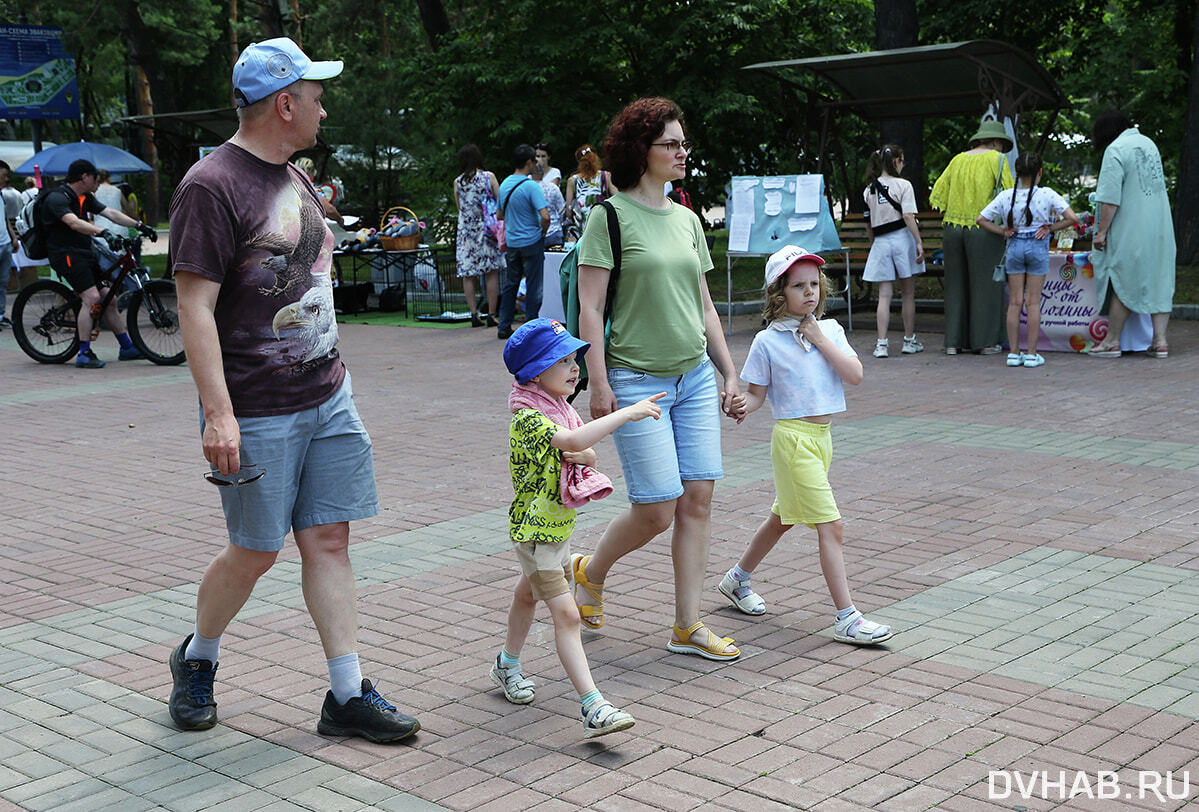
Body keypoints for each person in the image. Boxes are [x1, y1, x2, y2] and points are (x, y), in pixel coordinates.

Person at [166, 36, 419, 743]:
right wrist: (219, 415)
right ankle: (197, 658)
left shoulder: (294, 176)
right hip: (256, 406)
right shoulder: (210, 186)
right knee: (255, 551)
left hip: (327, 394)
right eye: (314, 95)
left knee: (330, 539)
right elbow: (194, 308)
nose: (323, 107)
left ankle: (346, 693)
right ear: (285, 103)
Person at [574, 97, 745, 662]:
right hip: (634, 379)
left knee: (698, 498)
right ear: (639, 150)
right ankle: (591, 572)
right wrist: (597, 384)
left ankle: (687, 626)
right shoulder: (609, 218)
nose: (681, 152)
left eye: (682, 143)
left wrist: (729, 373)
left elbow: (704, 306)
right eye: (669, 144)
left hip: (694, 377)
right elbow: (591, 310)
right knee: (657, 505)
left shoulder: (688, 219)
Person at [718, 246, 892, 646]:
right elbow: (758, 395)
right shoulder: (767, 341)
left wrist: (817, 337)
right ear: (779, 292)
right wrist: (744, 405)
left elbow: (856, 375)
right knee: (832, 526)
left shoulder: (831, 331)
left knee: (784, 518)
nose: (809, 292)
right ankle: (847, 617)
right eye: (798, 286)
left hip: (822, 439)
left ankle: (736, 580)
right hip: (793, 440)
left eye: (814, 284)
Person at [496, 318, 662, 737]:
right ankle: (593, 705)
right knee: (567, 615)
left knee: (527, 594)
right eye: (563, 361)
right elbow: (572, 444)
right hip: (536, 535)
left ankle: (506, 665)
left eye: (575, 360)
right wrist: (627, 414)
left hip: (555, 528)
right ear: (535, 372)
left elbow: (580, 449)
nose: (575, 369)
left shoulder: (558, 410)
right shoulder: (528, 418)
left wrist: (587, 456)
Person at [42, 159, 156, 367]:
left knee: (108, 298)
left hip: (85, 252)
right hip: (66, 255)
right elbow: (73, 222)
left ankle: (127, 347)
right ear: (84, 177)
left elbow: (111, 213)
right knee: (92, 297)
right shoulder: (57, 198)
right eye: (95, 177)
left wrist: (140, 226)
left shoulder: (85, 197)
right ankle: (84, 353)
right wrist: (102, 232)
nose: (98, 181)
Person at [1086, 110, 1176, 359]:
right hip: (1160, 226)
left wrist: (1101, 232)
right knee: (1160, 279)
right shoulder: (1148, 144)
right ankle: (1160, 341)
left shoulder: (1115, 150)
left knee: (1124, 279)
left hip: (1131, 227)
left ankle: (1111, 341)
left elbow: (1109, 199)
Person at [976, 153, 1078, 368]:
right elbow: (1073, 218)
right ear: (1039, 172)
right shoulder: (1047, 194)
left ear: (1017, 173)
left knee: (1014, 302)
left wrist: (1003, 231)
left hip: (1014, 246)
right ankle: (1031, 354)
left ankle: (1013, 353)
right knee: (1033, 303)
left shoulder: (1006, 196)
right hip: (1037, 246)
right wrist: (1050, 228)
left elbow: (981, 219)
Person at [929, 120, 1014, 355]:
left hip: (953, 229)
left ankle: (953, 343)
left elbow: (938, 192)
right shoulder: (997, 159)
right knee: (985, 285)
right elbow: (1008, 195)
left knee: (955, 286)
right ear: (996, 141)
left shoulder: (958, 159)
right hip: (984, 228)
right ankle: (984, 342)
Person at [862, 145, 925, 358]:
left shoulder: (868, 189)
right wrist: (919, 242)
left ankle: (882, 344)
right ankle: (909, 340)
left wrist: (874, 245)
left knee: (884, 295)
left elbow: (868, 224)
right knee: (908, 293)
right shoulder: (903, 185)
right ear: (896, 161)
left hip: (881, 242)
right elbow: (908, 216)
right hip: (902, 241)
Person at [496, 144, 549, 339]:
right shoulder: (530, 186)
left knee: (511, 284)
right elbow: (545, 216)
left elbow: (500, 215)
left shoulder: (504, 185)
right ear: (528, 162)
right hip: (531, 241)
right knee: (534, 286)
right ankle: (532, 328)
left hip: (512, 243)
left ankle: (504, 326)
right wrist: (541, 233)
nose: (536, 163)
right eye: (534, 160)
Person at [453, 144, 504, 327]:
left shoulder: (458, 182)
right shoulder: (488, 177)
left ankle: (474, 314)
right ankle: (491, 314)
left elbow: (460, 208)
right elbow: (500, 200)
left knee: (468, 274)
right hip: (486, 230)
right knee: (491, 273)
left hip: (466, 232)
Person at [564, 144, 612, 240]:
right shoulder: (605, 176)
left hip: (582, 230)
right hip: (603, 228)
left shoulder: (573, 180)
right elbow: (617, 198)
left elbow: (568, 211)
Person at [294, 156, 343, 226]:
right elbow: (329, 209)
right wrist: (339, 219)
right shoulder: (313, 190)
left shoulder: (284, 188)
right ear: (310, 171)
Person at [0, 161, 19, 329]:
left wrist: (13, 237)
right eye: (4, 175)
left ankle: (0, 315)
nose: (6, 179)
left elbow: (5, 217)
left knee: (3, 282)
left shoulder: (1, 195)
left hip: (5, 243)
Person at [532, 160, 565, 247]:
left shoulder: (526, 189)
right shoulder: (553, 188)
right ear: (543, 174)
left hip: (532, 234)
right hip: (554, 231)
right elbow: (562, 210)